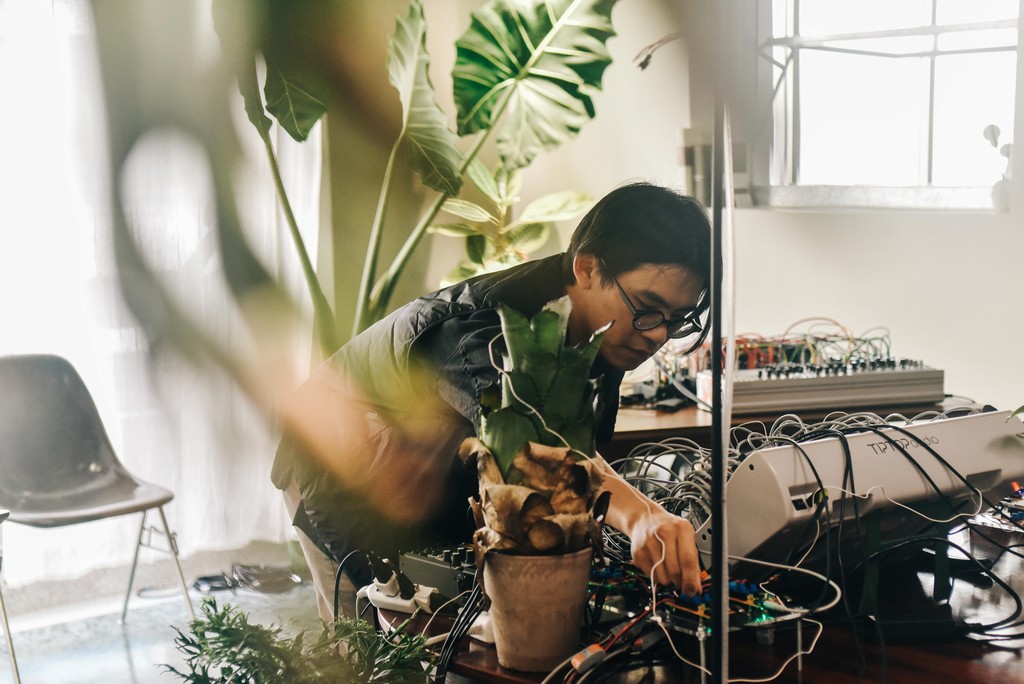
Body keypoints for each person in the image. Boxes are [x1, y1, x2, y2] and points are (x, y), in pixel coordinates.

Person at [272, 181, 712, 622]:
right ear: (587, 269)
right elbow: (537, 442)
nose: (658, 334)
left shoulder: (609, 330)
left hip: (421, 473)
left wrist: (651, 517)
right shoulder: (485, 326)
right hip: (339, 460)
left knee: (451, 625)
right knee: (376, 633)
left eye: (677, 319)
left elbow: (573, 445)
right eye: (648, 307)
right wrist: (639, 517)